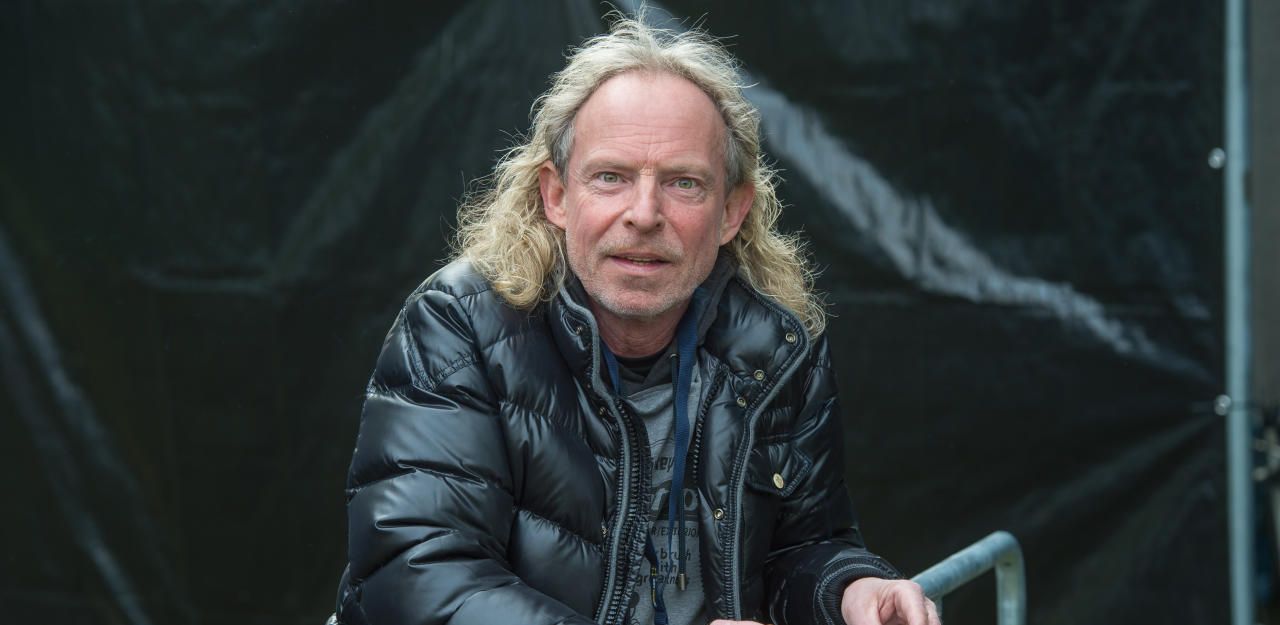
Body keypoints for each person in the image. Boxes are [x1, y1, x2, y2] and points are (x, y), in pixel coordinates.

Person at [335, 13, 940, 625]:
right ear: (556, 196)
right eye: (611, 177)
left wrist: (849, 590)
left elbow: (803, 546)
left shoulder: (778, 350)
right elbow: (422, 579)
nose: (644, 214)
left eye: (683, 183)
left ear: (732, 211)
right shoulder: (458, 329)